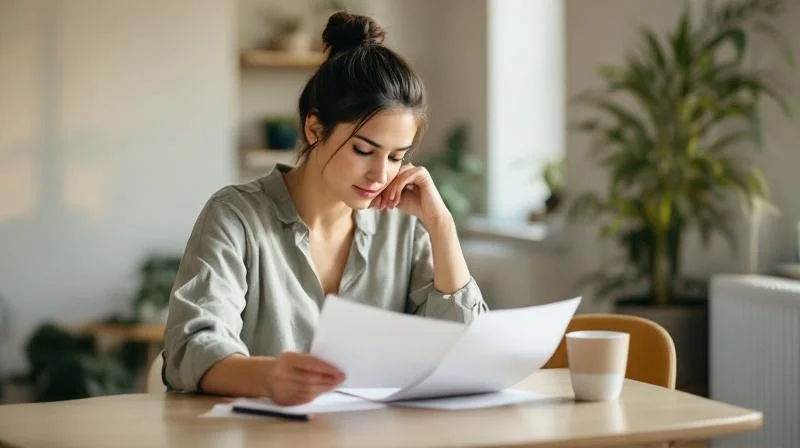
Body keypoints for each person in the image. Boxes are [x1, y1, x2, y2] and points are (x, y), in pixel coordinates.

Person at [162, 11, 488, 405]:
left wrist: (442, 224)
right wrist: (268, 377)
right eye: (364, 150)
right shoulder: (235, 217)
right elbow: (188, 349)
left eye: (397, 157)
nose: (379, 174)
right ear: (314, 129)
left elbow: (468, 356)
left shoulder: (405, 226)